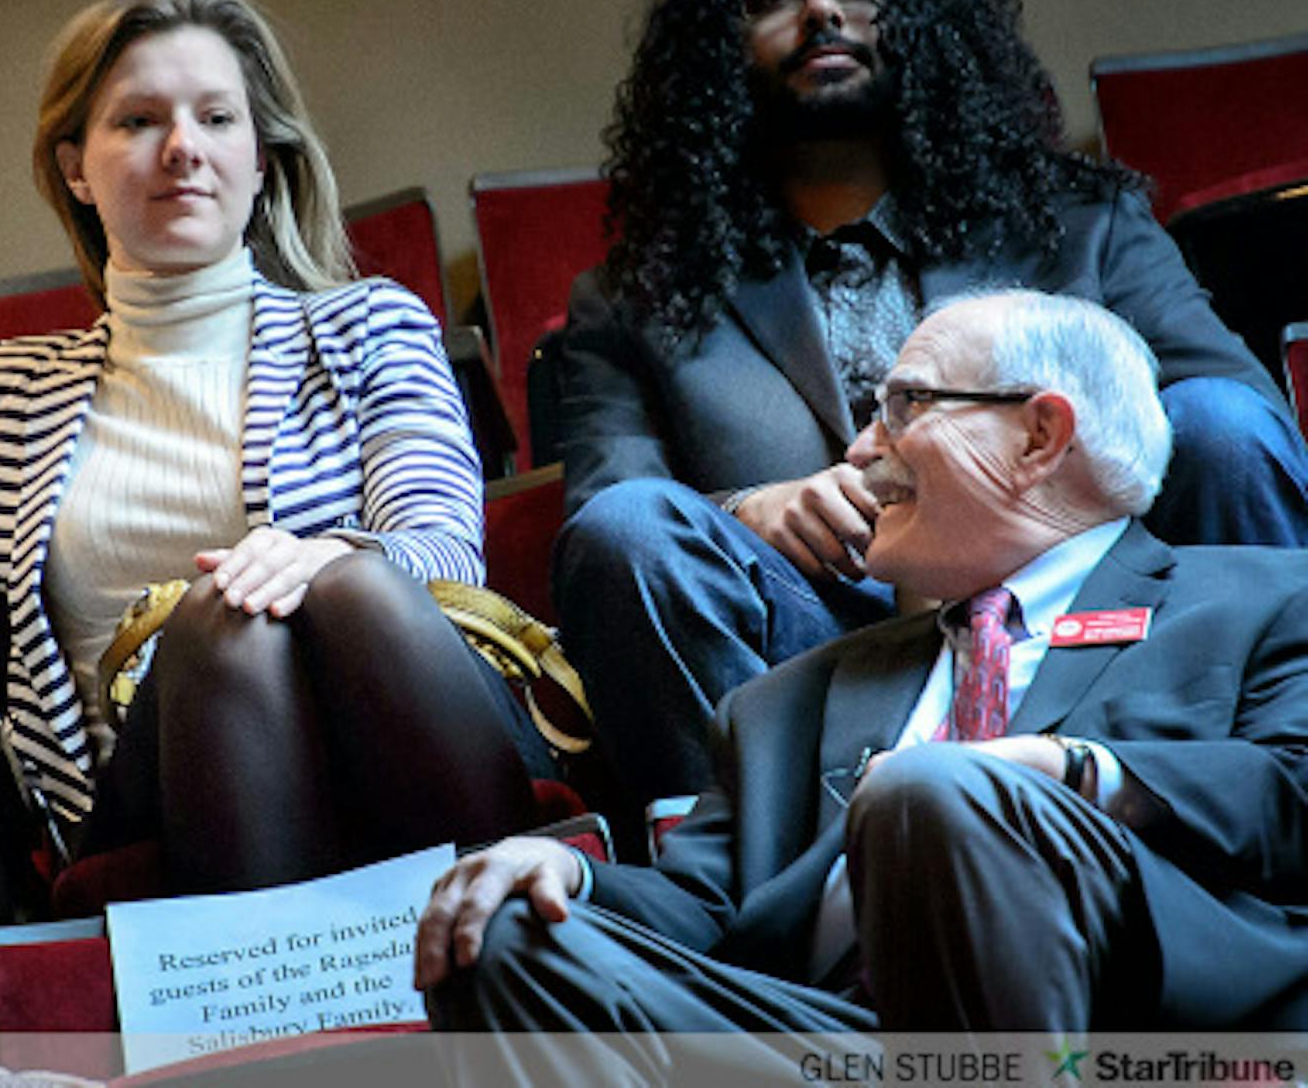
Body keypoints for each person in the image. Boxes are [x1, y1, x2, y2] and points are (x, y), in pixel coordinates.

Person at [554, 0, 1308, 807]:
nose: (821, 10)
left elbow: (1240, 418)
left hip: (1093, 630)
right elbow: (606, 507)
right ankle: (753, 870)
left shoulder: (1078, 224)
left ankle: (1278, 775)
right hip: (819, 660)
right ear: (715, 51)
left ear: (917, 15)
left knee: (1219, 423)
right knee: (627, 529)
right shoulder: (634, 299)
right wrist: (749, 508)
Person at [418, 291, 1308, 1070]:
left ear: (1040, 436)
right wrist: (568, 876)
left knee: (934, 792)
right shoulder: (781, 702)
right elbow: (700, 909)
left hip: (1126, 1024)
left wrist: (1068, 772)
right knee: (503, 939)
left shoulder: (1264, 600)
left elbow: (1292, 790)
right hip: (831, 1044)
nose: (857, 449)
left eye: (905, 406)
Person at [0, 0, 542, 893]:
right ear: (75, 169)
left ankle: (508, 930)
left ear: (262, 157)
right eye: (139, 120)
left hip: (395, 729)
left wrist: (322, 559)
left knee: (344, 584)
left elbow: (443, 550)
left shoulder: (368, 327)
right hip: (159, 793)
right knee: (219, 616)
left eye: (217, 118)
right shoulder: (12, 401)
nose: (184, 148)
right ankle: (301, 968)